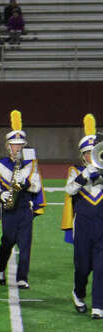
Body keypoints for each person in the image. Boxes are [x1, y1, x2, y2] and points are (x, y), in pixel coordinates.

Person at [0, 120, 41, 288]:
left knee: (25, 244)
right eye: (14, 145)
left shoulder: (31, 164)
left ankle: (22, 277)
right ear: (7, 146)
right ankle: (0, 266)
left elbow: (37, 186)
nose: (17, 148)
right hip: (9, 209)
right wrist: (1, 194)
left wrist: (25, 182)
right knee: (8, 241)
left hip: (25, 208)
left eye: (20, 145)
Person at [63, 121, 103, 317]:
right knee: (83, 267)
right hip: (84, 227)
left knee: (101, 266)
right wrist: (86, 174)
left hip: (101, 225)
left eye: (94, 152)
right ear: (82, 155)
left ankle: (98, 306)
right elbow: (70, 189)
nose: (91, 156)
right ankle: (78, 293)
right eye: (87, 152)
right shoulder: (76, 171)